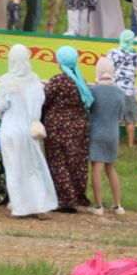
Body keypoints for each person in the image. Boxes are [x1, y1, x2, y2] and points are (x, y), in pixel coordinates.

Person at [0, 45, 57, 218]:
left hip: (10, 130)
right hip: (28, 130)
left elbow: (0, 107)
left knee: (14, 168)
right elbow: (39, 105)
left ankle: (20, 207)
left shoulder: (7, 81)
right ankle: (40, 206)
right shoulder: (35, 81)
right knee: (33, 168)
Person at [41, 45, 93, 213]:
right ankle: (77, 197)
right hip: (79, 128)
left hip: (57, 128)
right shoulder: (81, 82)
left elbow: (43, 100)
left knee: (58, 163)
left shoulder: (57, 81)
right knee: (76, 162)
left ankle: (64, 200)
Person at [87, 60, 126, 216]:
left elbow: (89, 111)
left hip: (97, 131)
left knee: (97, 168)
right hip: (112, 132)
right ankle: (117, 205)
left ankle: (98, 206)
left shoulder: (93, 91)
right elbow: (120, 115)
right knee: (110, 168)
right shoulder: (119, 92)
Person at [106, 29, 137, 148]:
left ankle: (114, 143)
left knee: (113, 118)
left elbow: (108, 68)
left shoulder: (114, 53)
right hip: (129, 90)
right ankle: (130, 144)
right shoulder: (136, 55)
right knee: (130, 119)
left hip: (115, 89)